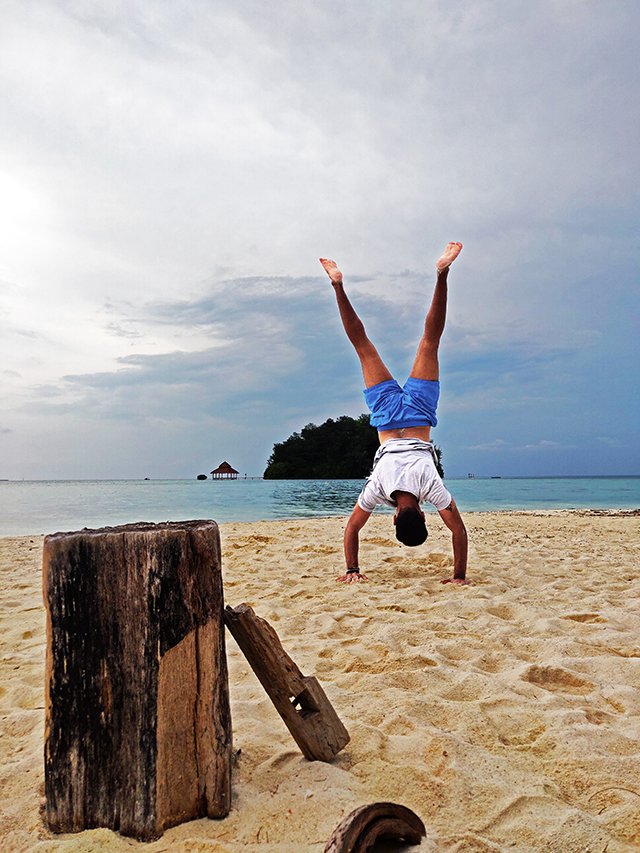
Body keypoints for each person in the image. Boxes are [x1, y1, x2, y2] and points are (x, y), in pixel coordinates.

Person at [319, 242, 468, 585]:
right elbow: (352, 528)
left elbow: (458, 531)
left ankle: (442, 274)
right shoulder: (378, 488)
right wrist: (351, 570)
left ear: (422, 516)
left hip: (417, 415)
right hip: (387, 419)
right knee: (363, 346)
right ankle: (338, 286)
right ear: (395, 520)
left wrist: (460, 575)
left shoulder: (431, 488)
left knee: (431, 340)